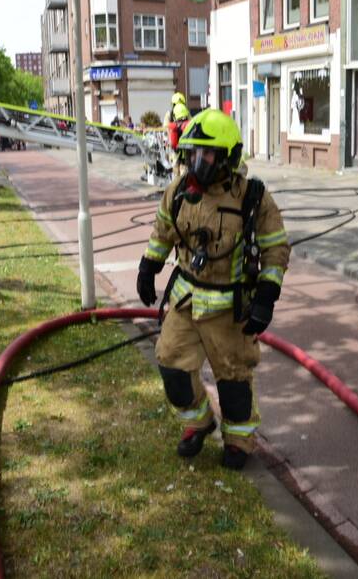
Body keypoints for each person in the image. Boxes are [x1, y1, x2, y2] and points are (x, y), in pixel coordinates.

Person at [136, 108, 290, 470]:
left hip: (231, 310)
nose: (198, 162)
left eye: (207, 154)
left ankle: (238, 441)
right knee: (172, 365)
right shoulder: (178, 191)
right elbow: (162, 231)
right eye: (192, 154)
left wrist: (265, 298)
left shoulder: (252, 198)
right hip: (187, 300)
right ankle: (198, 423)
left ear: (228, 157)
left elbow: (275, 248)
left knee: (234, 380)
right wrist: (149, 266)